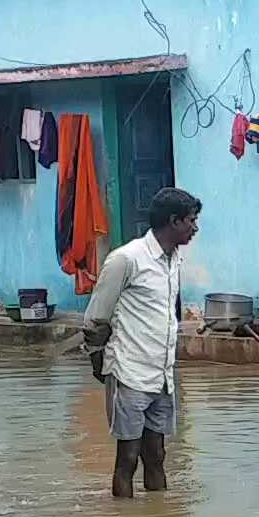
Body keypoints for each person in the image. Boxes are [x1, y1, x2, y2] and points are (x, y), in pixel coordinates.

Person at [84, 187, 202, 498]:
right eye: (191, 221)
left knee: (157, 455)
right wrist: (100, 362)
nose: (195, 228)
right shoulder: (126, 259)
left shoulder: (173, 260)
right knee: (127, 457)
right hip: (129, 371)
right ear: (174, 221)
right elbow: (97, 317)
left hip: (162, 374)